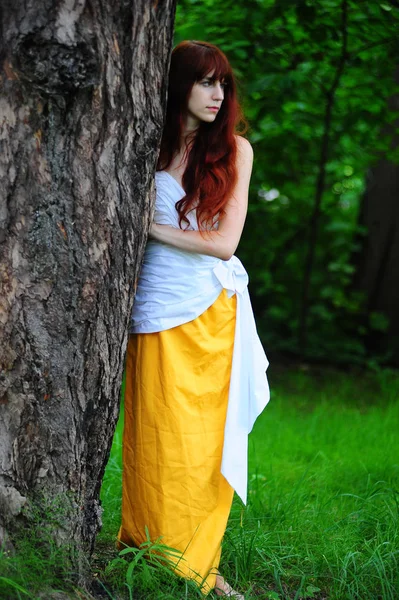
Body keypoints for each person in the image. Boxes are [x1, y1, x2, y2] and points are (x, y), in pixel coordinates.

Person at [118, 40, 270, 598]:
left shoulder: (236, 150)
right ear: (178, 85)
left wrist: (150, 228)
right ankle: (148, 545)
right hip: (154, 307)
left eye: (222, 84)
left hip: (211, 311)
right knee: (157, 435)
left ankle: (201, 563)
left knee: (207, 445)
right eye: (205, 81)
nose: (217, 94)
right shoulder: (143, 144)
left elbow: (226, 243)